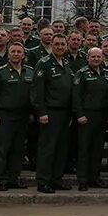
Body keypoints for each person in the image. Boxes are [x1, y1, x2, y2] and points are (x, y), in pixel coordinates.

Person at [0, 42, 33, 191]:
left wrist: (32, 112)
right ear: (8, 54)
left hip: (23, 115)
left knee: (18, 149)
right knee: (2, 148)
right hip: (5, 115)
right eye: (13, 51)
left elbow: (33, 94)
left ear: (23, 55)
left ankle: (14, 178)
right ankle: (1, 179)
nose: (16, 54)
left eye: (19, 52)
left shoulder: (29, 72)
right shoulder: (0, 72)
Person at [32, 34, 74, 194]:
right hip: (50, 112)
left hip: (65, 113)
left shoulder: (66, 63)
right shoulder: (44, 64)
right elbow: (37, 91)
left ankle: (56, 179)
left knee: (61, 148)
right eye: (57, 44)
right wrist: (41, 112)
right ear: (52, 45)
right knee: (47, 148)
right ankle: (43, 181)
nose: (60, 47)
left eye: (63, 44)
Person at [72, 47, 108, 190]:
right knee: (84, 149)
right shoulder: (81, 74)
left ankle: (95, 177)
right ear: (87, 58)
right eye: (93, 56)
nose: (96, 59)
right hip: (86, 116)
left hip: (101, 116)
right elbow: (76, 96)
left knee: (97, 149)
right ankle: (83, 180)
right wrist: (79, 114)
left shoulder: (106, 74)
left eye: (98, 57)